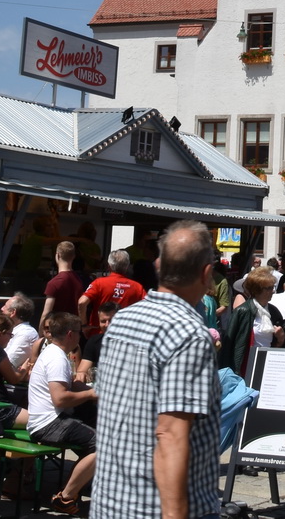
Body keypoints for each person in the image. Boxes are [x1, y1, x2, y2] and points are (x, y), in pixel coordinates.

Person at [94, 220, 220, 519]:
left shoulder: (122, 320)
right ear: (206, 274)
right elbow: (171, 433)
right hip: (154, 507)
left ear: (158, 265)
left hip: (111, 501)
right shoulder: (189, 334)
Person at [27, 311, 97, 515]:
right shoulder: (57, 358)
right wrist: (92, 393)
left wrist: (98, 392)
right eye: (78, 332)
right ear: (69, 334)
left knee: (93, 443)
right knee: (105, 445)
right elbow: (60, 398)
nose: (80, 336)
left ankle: (70, 492)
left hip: (46, 420)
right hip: (49, 423)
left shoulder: (53, 353)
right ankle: (65, 497)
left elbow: (71, 384)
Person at [219, 266, 285, 376]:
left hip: (269, 367)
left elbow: (278, 348)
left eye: (273, 287)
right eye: (268, 288)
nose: (273, 291)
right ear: (257, 290)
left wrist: (281, 339)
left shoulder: (274, 312)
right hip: (246, 368)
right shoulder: (242, 311)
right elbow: (229, 344)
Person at [78, 250, 145, 335]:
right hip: (124, 335)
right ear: (127, 266)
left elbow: (81, 302)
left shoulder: (99, 283)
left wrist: (84, 325)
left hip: (99, 335)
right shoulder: (137, 287)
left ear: (109, 266)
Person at [43, 241, 87, 322]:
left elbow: (46, 313)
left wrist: (41, 332)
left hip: (58, 329)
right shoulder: (79, 280)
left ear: (58, 255)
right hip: (74, 328)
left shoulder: (54, 283)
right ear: (73, 256)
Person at [0, 292, 40, 366]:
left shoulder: (26, 333)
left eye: (5, 306)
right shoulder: (15, 330)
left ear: (12, 312)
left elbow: (9, 362)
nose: (1, 308)